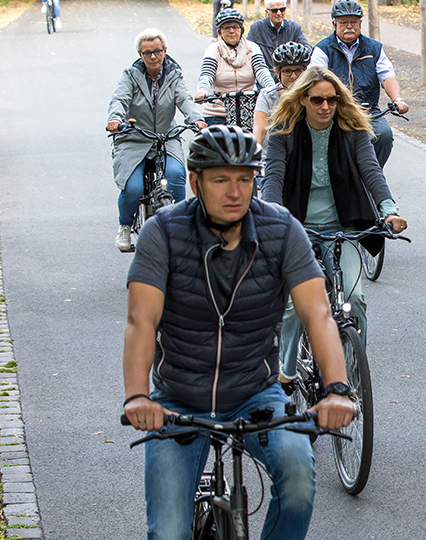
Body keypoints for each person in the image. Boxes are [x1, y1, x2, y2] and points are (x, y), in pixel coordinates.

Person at [122, 125, 355, 540]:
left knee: (299, 480)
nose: (235, 191)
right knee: (169, 532)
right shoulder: (162, 233)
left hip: (256, 395)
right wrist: (139, 397)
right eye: (221, 179)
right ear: (195, 182)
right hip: (178, 400)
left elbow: (318, 314)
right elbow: (142, 321)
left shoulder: (281, 230)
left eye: (245, 179)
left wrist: (337, 388)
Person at [261, 67, 407, 385]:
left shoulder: (351, 129)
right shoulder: (283, 131)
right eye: (317, 100)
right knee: (292, 306)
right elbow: (272, 177)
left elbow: (372, 172)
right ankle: (286, 373)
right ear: (302, 100)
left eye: (332, 99)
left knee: (355, 301)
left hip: (342, 228)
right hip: (296, 231)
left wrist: (389, 210)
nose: (326, 107)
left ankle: (351, 382)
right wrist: (271, 218)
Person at [107, 28, 207, 253]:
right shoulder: (130, 75)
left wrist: (198, 120)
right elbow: (119, 99)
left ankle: (182, 227)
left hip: (165, 136)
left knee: (176, 174)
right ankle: (125, 226)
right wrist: (114, 119)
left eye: (157, 51)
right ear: (140, 55)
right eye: (147, 53)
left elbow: (185, 100)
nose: (153, 56)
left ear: (165, 51)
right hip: (133, 136)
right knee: (132, 187)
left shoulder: (174, 74)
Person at [309, 0, 409, 167]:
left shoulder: (374, 48)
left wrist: (397, 99)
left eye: (354, 21)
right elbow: (314, 78)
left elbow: (387, 76)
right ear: (334, 23)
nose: (350, 26)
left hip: (368, 110)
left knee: (383, 134)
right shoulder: (323, 49)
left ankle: (373, 177)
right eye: (344, 22)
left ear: (360, 23)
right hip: (336, 110)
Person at [195, 8, 275, 126]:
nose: (231, 31)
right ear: (220, 32)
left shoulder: (252, 48)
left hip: (248, 111)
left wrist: (272, 89)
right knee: (214, 142)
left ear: (241, 30)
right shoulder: (213, 50)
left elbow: (261, 71)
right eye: (227, 27)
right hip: (218, 112)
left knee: (256, 142)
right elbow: (207, 74)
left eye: (235, 27)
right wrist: (202, 91)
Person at [252, 42, 312, 148]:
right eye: (287, 71)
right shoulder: (267, 95)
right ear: (277, 72)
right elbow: (260, 130)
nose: (293, 76)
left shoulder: (313, 94)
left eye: (298, 71)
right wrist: (254, 151)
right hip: (271, 155)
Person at [247, 0, 310, 81]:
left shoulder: (294, 28)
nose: (279, 13)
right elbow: (248, 50)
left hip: (289, 75)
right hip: (264, 76)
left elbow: (307, 48)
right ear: (267, 12)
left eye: (282, 9)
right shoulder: (256, 28)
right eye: (274, 10)